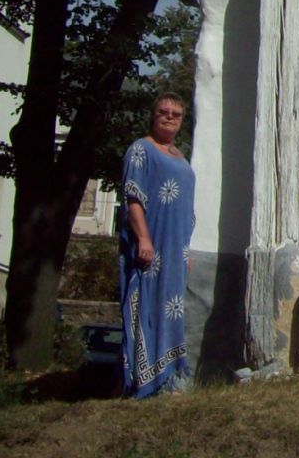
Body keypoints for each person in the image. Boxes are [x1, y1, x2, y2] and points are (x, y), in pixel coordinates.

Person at [118, 92, 196, 396]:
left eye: (176, 114)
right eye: (164, 112)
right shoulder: (141, 150)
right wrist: (144, 238)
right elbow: (133, 196)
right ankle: (145, 378)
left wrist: (185, 249)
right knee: (147, 306)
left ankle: (171, 376)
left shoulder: (180, 157)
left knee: (172, 310)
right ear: (153, 115)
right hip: (153, 244)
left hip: (176, 248)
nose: (169, 117)